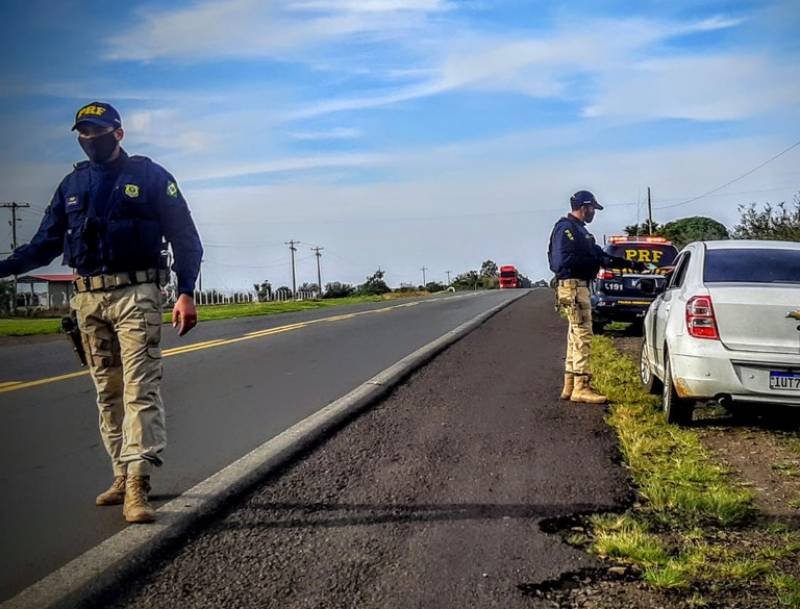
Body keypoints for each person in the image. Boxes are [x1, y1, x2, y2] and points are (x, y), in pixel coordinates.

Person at [0, 101, 203, 523]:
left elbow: (185, 237)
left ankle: (139, 483)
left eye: (97, 130)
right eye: (83, 132)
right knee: (107, 391)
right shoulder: (73, 185)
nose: (89, 138)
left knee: (139, 389)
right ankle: (120, 474)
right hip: (88, 301)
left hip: (136, 294)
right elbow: (43, 245)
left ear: (118, 133)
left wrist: (185, 292)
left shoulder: (150, 177)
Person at [547, 190, 646, 404]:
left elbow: (602, 257)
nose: (594, 213)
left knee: (575, 335)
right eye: (593, 208)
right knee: (583, 334)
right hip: (574, 286)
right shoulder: (567, 229)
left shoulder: (577, 230)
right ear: (585, 207)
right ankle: (581, 386)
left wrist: (631, 265)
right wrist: (592, 262)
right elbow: (563, 262)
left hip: (574, 287)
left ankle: (570, 384)